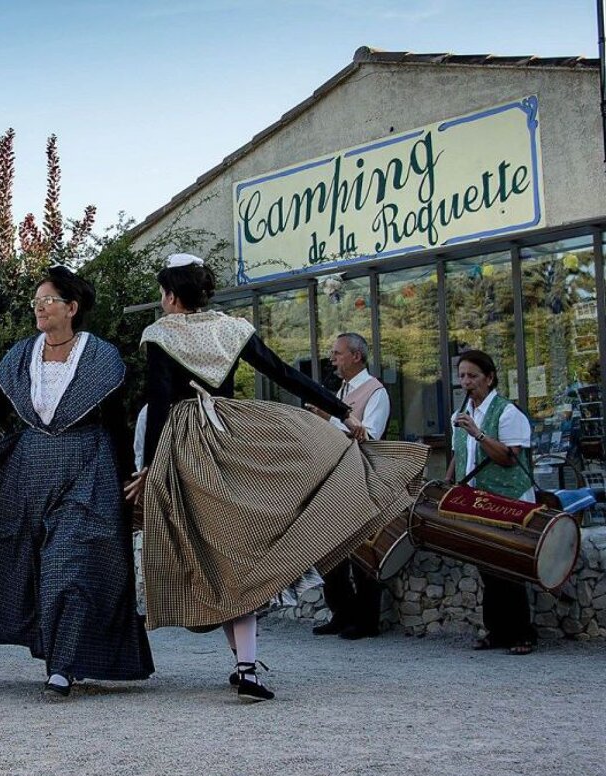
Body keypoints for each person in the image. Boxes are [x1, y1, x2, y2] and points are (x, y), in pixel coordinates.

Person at [125, 254, 426, 702]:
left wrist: (148, 468)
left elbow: (159, 401)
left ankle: (245, 665)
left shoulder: (162, 333)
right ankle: (245, 666)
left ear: (170, 295)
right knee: (239, 551)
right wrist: (342, 411)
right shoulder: (232, 328)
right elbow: (284, 373)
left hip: (187, 446)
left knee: (215, 558)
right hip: (232, 435)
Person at [0, 266, 153, 700]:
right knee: (31, 566)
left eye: (47, 301)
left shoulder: (101, 359)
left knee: (67, 563)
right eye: (36, 302)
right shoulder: (23, 357)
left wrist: (130, 479)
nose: (39, 308)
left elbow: (118, 426)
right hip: (29, 474)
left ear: (71, 308)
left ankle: (63, 668)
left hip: (87, 472)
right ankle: (58, 657)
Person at [445, 349, 538, 655]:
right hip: (477, 499)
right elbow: (461, 453)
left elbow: (510, 458)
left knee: (509, 565)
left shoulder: (508, 413)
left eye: (472, 376)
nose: (466, 382)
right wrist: (448, 484)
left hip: (508, 499)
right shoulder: (459, 414)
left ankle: (522, 633)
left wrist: (479, 432)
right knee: (487, 565)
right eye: (462, 376)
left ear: (489, 377)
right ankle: (497, 630)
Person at [308, 332, 392, 640]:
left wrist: (330, 418)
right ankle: (341, 613)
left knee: (362, 550)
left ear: (356, 356)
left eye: (338, 353)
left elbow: (369, 435)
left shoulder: (376, 392)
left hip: (361, 479)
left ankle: (366, 619)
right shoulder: (341, 389)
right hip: (335, 478)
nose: (332, 359)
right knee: (331, 550)